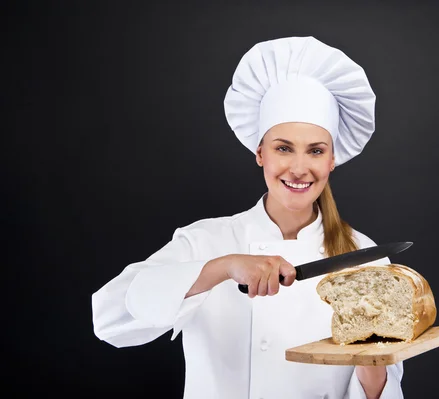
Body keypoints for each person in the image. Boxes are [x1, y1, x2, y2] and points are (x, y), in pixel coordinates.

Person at [92, 36, 404, 399]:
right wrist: (222, 268)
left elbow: (381, 392)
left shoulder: (367, 258)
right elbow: (110, 318)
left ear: (332, 160)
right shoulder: (205, 241)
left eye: (316, 151)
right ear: (260, 153)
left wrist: (373, 365)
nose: (299, 168)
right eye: (283, 148)